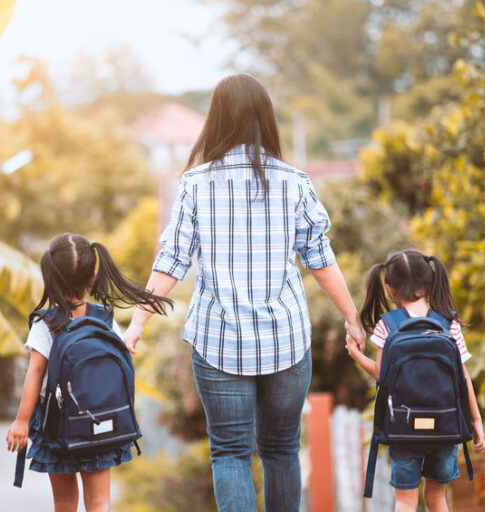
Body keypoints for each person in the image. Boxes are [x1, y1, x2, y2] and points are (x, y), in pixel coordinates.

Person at [122, 74, 363, 512]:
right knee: (281, 450)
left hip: (218, 341)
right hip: (286, 339)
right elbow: (320, 258)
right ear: (264, 120)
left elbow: (171, 260)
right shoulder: (295, 181)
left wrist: (137, 323)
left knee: (230, 453)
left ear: (216, 120)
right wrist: (352, 317)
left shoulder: (195, 183)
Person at [6, 233, 171, 512]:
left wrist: (21, 421)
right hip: (102, 422)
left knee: (65, 503)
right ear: (92, 276)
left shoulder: (46, 323)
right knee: (99, 502)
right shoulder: (105, 319)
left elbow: (35, 373)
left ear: (50, 275)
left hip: (57, 424)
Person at [345, 249, 485, 512]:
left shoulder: (388, 325)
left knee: (405, 501)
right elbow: (463, 377)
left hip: (404, 429)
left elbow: (380, 373)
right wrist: (476, 422)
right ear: (430, 285)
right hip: (446, 428)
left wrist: (355, 353)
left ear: (389, 289)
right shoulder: (448, 324)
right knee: (436, 498)